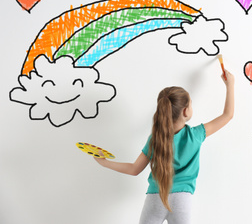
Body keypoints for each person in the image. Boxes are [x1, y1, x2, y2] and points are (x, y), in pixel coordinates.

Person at [94, 69, 234, 224]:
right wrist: (230, 85)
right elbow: (227, 115)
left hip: (155, 198)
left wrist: (104, 162)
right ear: (186, 111)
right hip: (182, 200)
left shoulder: (155, 140)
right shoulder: (196, 135)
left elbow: (134, 169)